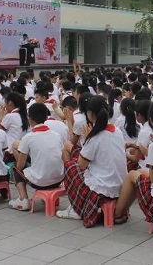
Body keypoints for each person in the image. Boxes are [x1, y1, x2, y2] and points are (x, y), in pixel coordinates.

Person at [57, 96, 127, 226]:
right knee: (73, 157)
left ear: (90, 114)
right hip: (120, 184)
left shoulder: (94, 136)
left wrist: (86, 139)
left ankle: (76, 208)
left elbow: (82, 164)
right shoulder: (116, 131)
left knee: (71, 167)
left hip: (104, 185)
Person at [9, 103, 66, 211]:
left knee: (15, 167)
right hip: (58, 179)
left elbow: (20, 166)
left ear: (29, 119)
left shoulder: (28, 137)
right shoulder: (56, 135)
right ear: (46, 118)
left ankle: (23, 199)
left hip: (41, 182)